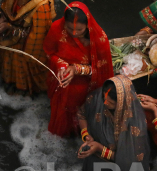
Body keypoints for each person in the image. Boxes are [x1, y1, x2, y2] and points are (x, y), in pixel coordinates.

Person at [43, 2, 113, 137]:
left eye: (79, 30)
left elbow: (102, 70)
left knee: (83, 113)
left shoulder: (99, 38)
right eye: (70, 29)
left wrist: (76, 69)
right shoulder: (56, 28)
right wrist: (63, 66)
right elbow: (48, 52)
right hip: (62, 79)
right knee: (63, 112)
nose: (74, 33)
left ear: (88, 25)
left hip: (86, 86)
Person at [77, 76, 151, 171]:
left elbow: (129, 160)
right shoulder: (98, 97)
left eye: (110, 102)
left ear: (121, 103)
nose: (105, 103)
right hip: (95, 163)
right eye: (104, 97)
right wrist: (86, 136)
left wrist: (99, 148)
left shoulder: (135, 124)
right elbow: (81, 114)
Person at [0, 0, 55, 96]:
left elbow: (37, 38)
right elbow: (7, 10)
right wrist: (1, 18)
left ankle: (27, 92)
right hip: (11, 43)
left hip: (27, 50)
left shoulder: (41, 7)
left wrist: (9, 27)